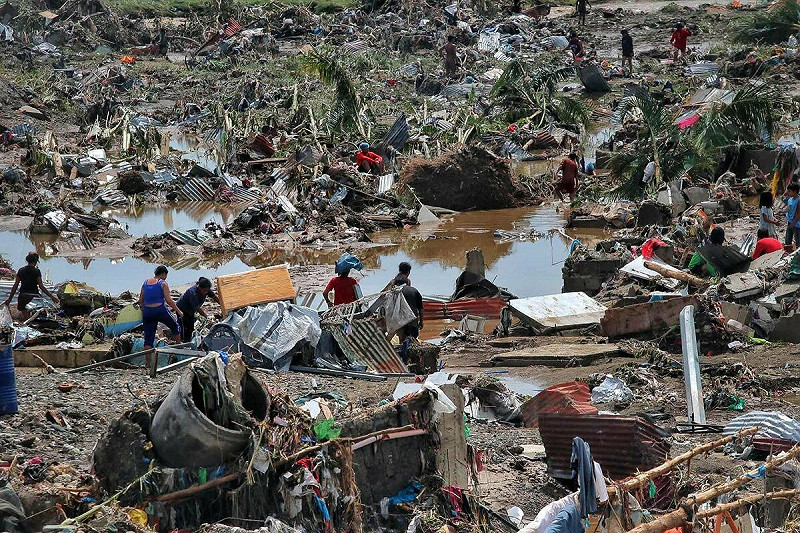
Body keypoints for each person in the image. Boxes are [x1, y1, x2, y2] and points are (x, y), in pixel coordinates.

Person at [137, 265, 182, 352]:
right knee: (175, 325)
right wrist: (179, 311)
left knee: (148, 339)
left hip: (147, 312)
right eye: (166, 276)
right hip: (160, 310)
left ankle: (147, 364)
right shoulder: (163, 283)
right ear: (163, 273)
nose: (165, 278)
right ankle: (179, 348)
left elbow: (140, 301)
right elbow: (169, 301)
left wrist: (144, 311)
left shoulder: (145, 283)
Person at [2, 253, 58, 320]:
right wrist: (52, 297)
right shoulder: (36, 271)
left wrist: (9, 299)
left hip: (23, 296)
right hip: (34, 296)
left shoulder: (21, 270)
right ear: (36, 261)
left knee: (22, 309)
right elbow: (41, 286)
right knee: (38, 311)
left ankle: (28, 321)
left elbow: (15, 285)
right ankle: (32, 321)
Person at [177, 277, 219, 342]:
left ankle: (189, 341)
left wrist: (222, 305)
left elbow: (214, 297)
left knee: (191, 327)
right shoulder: (192, 293)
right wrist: (207, 317)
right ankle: (182, 342)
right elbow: (197, 308)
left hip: (191, 311)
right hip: (182, 310)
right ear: (199, 287)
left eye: (207, 290)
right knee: (184, 328)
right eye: (205, 290)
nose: (206, 292)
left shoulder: (206, 289)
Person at [396, 279, 424, 350]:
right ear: (408, 283)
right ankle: (411, 358)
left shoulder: (396, 292)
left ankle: (403, 359)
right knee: (412, 342)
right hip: (412, 322)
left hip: (400, 323)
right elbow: (420, 308)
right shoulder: (414, 291)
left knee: (402, 342)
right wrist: (421, 321)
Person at [785, 183, 800, 250]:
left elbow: (798, 214)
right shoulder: (790, 199)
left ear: (795, 191)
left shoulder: (799, 200)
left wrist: (793, 223)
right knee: (788, 239)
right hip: (790, 221)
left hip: (796, 223)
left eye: (789, 191)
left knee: (798, 239)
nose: (788, 192)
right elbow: (789, 209)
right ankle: (788, 252)